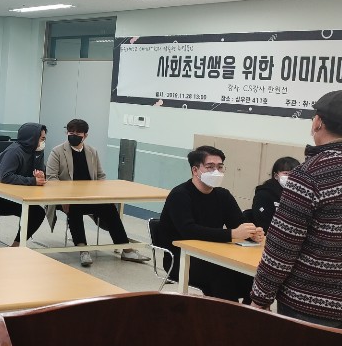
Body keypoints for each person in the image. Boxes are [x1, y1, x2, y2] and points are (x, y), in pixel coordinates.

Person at [250, 91, 342, 331]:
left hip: (304, 306)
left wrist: (260, 297)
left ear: (317, 123)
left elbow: (282, 247)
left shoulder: (308, 175)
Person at [152, 145, 264, 302]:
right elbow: (189, 230)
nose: (216, 172)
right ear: (195, 170)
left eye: (220, 167)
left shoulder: (223, 195)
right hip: (182, 258)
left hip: (214, 254)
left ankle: (248, 312)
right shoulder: (180, 195)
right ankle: (226, 314)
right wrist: (232, 234)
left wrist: (252, 233)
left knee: (254, 275)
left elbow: (238, 222)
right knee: (223, 275)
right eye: (210, 167)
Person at [44, 119, 148, 267]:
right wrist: (64, 198)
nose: (73, 135)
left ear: (85, 136)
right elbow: (52, 179)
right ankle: (82, 249)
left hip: (90, 197)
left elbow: (100, 177)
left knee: (109, 208)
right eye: (70, 132)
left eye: (77, 133)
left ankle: (126, 249)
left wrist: (104, 195)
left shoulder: (92, 152)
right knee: (74, 208)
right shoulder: (57, 152)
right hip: (65, 199)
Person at [0, 122, 47, 248]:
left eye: (44, 139)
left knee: (37, 213)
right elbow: (6, 176)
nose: (43, 142)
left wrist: (41, 176)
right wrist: (33, 181)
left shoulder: (37, 152)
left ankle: (16, 245)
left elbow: (38, 172)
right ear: (32, 138)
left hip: (14, 194)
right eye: (41, 138)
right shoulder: (14, 151)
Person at [249, 156, 301, 233]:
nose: (290, 177)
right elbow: (263, 224)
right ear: (276, 175)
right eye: (286, 173)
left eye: (294, 174)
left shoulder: (301, 195)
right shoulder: (264, 194)